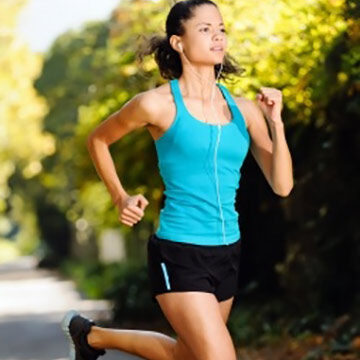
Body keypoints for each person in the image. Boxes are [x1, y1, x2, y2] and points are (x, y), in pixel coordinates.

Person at [61, 0, 294, 359]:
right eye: (205, 29)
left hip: (228, 251)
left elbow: (282, 185)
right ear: (178, 42)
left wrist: (276, 122)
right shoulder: (157, 105)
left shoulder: (245, 111)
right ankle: (92, 338)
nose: (217, 37)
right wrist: (120, 196)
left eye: (221, 29)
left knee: (186, 355)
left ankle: (92, 338)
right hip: (180, 251)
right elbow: (98, 140)